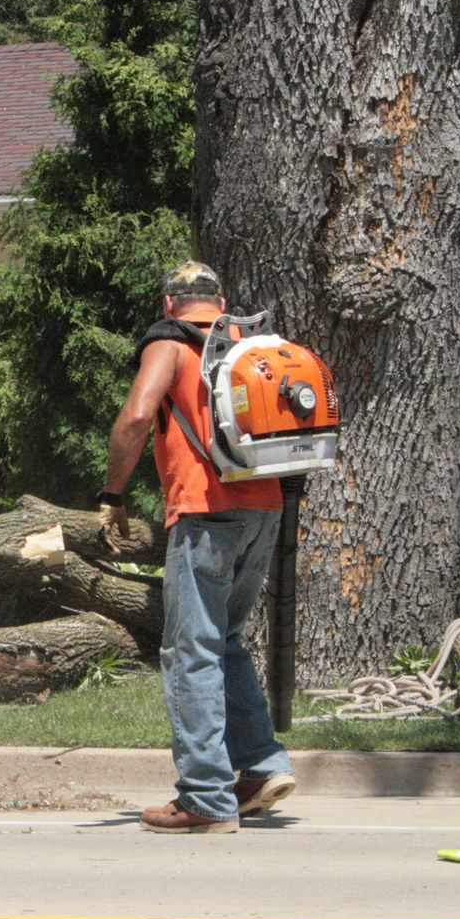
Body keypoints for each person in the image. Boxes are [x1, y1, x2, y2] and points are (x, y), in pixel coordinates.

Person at [98, 261, 297, 834]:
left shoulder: (169, 341)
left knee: (191, 652)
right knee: (224, 642)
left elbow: (137, 415)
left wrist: (112, 492)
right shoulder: (246, 342)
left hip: (206, 513)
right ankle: (258, 766)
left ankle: (206, 796)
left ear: (168, 305)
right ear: (221, 299)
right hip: (265, 508)